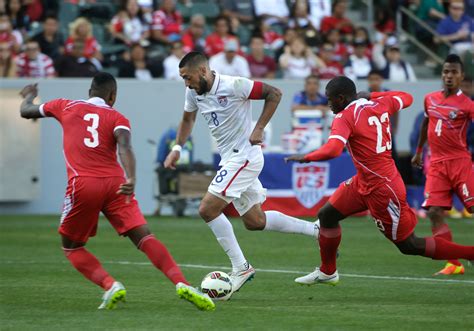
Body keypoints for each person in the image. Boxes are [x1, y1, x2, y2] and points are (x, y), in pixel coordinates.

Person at [17, 73, 215, 311]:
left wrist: (29, 94)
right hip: (116, 184)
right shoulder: (117, 117)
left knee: (72, 247)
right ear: (113, 96)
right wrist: (131, 177)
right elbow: (125, 146)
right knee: (145, 237)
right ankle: (182, 283)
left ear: (90, 91)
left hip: (83, 184)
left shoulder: (64, 106)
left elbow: (27, 110)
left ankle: (111, 285)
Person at [285, 75, 474, 286]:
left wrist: (307, 157)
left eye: (330, 100)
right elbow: (407, 97)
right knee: (327, 215)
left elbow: (333, 149)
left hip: (382, 190)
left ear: (341, 98)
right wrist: (373, 95)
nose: (328, 104)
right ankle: (328, 271)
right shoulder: (380, 103)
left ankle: (470, 253)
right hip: (364, 181)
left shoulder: (345, 116)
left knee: (409, 245)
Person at [164, 52, 319, 293]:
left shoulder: (234, 85)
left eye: (188, 77)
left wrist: (259, 128)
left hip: (244, 156)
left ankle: (241, 268)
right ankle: (316, 230)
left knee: (207, 209)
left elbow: (274, 93)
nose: (186, 83)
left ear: (203, 71)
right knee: (255, 221)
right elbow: (187, 119)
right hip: (230, 159)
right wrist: (177, 148)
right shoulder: (193, 92)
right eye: (183, 79)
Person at [411, 54, 474, 275]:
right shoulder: (430, 98)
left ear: (461, 76)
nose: (449, 76)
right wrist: (419, 151)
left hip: (459, 163)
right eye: (446, 71)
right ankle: (453, 263)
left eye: (454, 72)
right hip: (436, 164)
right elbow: (426, 122)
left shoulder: (467, 105)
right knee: (434, 212)